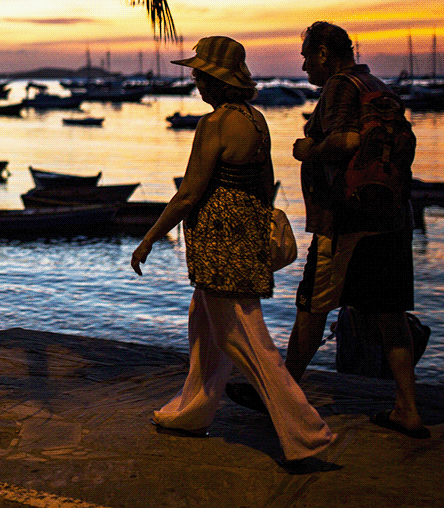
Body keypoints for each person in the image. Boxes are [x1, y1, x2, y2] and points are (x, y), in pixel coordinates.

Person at [131, 36, 335, 463]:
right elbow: (266, 187)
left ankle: (307, 435)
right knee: (205, 329)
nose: (196, 83)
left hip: (219, 240)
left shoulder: (215, 123)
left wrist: (150, 237)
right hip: (243, 235)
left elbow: (188, 193)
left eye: (200, 76)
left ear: (216, 81)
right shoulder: (257, 120)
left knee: (246, 338)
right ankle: (191, 412)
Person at [284, 21, 428, 438]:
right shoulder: (378, 86)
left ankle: (281, 392)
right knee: (390, 313)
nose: (304, 64)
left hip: (346, 220)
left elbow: (347, 141)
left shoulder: (340, 87)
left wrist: (308, 149)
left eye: (307, 55)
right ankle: (408, 409)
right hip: (392, 218)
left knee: (313, 305)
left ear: (324, 54)